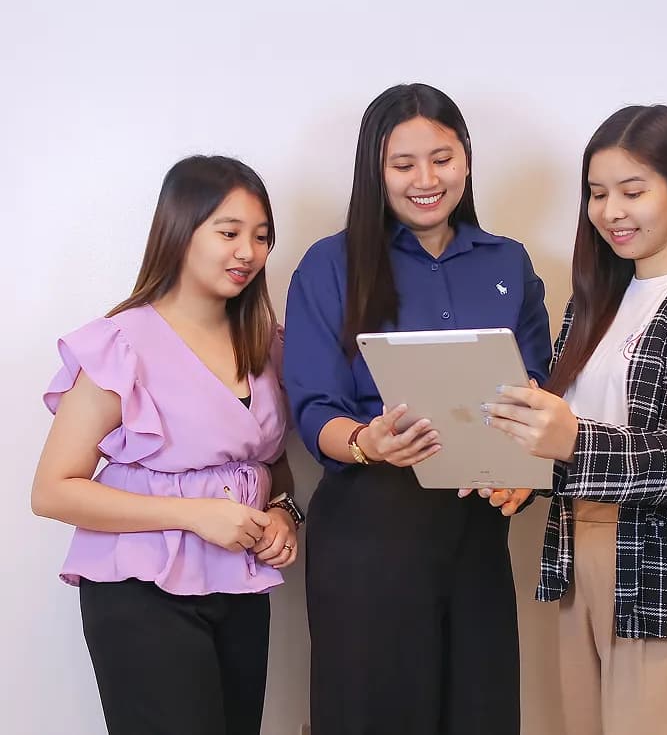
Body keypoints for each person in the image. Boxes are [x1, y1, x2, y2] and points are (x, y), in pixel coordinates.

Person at [481, 105, 667, 735]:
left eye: (633, 191)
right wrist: (520, 474)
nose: (612, 211)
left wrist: (572, 443)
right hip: (576, 564)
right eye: (597, 194)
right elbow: (565, 434)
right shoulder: (595, 299)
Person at [283, 83, 552, 735]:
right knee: (374, 714)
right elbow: (314, 408)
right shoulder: (331, 264)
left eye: (443, 157)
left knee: (479, 710)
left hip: (476, 530)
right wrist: (368, 439)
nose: (426, 179)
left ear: (467, 159)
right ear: (374, 171)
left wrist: (523, 471)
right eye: (403, 164)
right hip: (370, 529)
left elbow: (538, 394)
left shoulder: (509, 263)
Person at [31, 155, 304, 735]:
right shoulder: (123, 345)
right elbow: (52, 491)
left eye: (261, 237)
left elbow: (271, 461)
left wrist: (283, 512)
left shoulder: (265, 344)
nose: (248, 253)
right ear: (180, 231)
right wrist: (194, 516)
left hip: (239, 582)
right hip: (139, 591)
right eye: (228, 233)